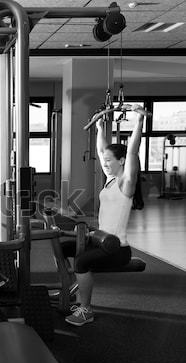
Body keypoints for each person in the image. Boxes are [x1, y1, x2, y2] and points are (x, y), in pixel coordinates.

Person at [62, 104, 147, 326]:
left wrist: (139, 122)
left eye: (110, 161)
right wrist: (99, 127)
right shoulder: (109, 179)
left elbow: (132, 152)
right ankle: (75, 290)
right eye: (105, 161)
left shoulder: (126, 183)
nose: (105, 164)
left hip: (117, 248)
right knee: (63, 248)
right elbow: (101, 152)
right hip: (99, 239)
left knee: (81, 262)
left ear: (121, 162)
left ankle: (86, 309)